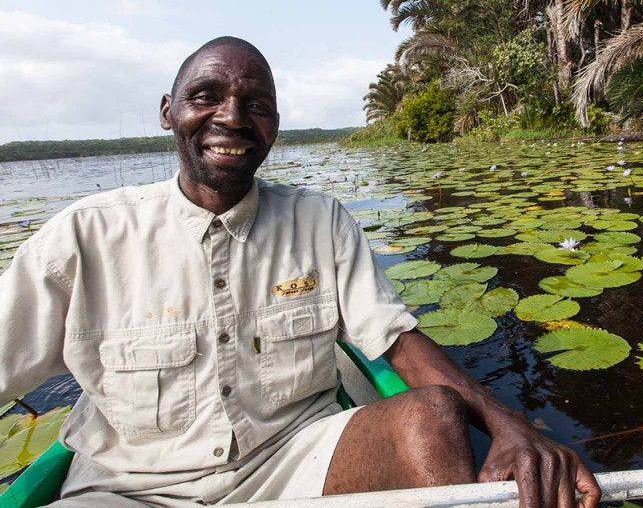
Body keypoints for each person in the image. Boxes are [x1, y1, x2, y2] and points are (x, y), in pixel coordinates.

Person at [0, 37, 600, 508]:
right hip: (127, 485)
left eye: (255, 105)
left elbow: (392, 339)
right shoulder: (84, 236)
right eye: (206, 96)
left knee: (434, 413)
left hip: (291, 460)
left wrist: (507, 421)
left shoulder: (321, 220)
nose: (231, 118)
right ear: (168, 112)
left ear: (275, 125)